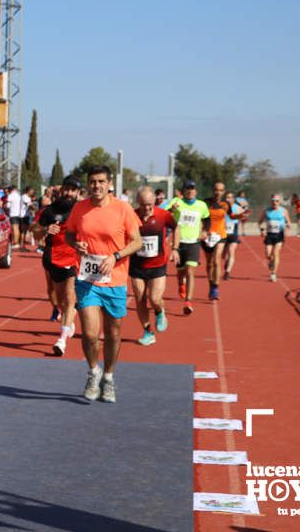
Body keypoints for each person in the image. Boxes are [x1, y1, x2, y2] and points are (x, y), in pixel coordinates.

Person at [65, 165, 142, 403]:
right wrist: (75, 244)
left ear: (109, 184)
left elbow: (137, 241)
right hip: (87, 279)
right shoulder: (80, 208)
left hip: (115, 279)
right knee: (89, 334)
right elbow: (69, 233)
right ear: (88, 184)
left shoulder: (123, 209)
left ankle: (108, 377)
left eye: (101, 181)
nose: (96, 186)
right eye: (92, 181)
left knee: (113, 333)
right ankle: (93, 372)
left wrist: (116, 257)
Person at [36, 176, 81, 356]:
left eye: (73, 189)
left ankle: (61, 340)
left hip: (75, 259)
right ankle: (67, 319)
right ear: (61, 190)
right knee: (60, 299)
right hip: (54, 258)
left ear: (78, 192)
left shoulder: (82, 210)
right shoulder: (50, 211)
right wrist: (45, 230)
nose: (69, 193)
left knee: (70, 298)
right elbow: (34, 229)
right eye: (67, 189)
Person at [130, 186, 179, 346]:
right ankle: (148, 332)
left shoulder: (163, 214)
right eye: (144, 204)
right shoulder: (132, 215)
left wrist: (175, 249)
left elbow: (176, 228)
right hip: (137, 265)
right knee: (140, 298)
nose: (147, 208)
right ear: (138, 202)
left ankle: (159, 311)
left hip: (158, 264)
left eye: (150, 204)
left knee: (155, 298)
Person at [167, 180, 209, 315]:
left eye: (192, 189)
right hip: (179, 242)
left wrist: (205, 231)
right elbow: (165, 214)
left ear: (196, 191)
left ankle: (188, 301)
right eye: (187, 189)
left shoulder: (201, 205)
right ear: (183, 191)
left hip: (193, 242)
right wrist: (171, 210)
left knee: (190, 270)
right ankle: (181, 284)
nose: (190, 191)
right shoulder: (177, 201)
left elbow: (207, 219)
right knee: (181, 271)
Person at [202, 181, 235, 300]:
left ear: (224, 191)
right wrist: (203, 230)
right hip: (207, 236)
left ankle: (215, 288)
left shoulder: (226, 204)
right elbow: (201, 217)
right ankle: (211, 284)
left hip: (221, 235)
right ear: (213, 190)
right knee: (209, 263)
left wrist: (241, 215)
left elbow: (232, 216)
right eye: (216, 190)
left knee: (216, 261)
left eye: (221, 190)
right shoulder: (205, 202)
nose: (218, 192)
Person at [258, 194, 291, 282]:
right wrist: (262, 230)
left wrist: (287, 228)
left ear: (280, 202)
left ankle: (273, 274)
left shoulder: (284, 211)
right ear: (271, 201)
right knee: (268, 255)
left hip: (279, 234)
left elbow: (288, 222)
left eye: (277, 201)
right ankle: (271, 261)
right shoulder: (267, 211)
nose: (275, 202)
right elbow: (260, 222)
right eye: (273, 201)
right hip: (269, 235)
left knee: (276, 253)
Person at [222, 191, 245, 280]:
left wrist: (244, 214)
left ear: (233, 199)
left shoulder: (238, 208)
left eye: (230, 197)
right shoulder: (222, 207)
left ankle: (227, 272)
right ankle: (226, 262)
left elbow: (244, 216)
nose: (228, 199)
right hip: (223, 232)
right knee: (224, 255)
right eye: (226, 197)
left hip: (233, 231)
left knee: (231, 251)